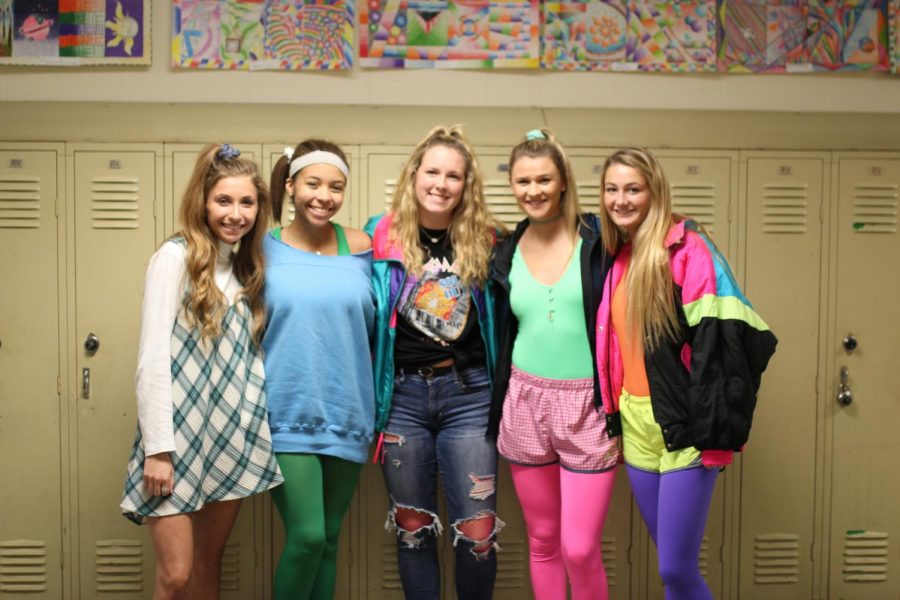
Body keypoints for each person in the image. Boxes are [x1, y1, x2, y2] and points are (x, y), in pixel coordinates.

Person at [596, 147, 777, 599]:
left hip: (685, 423)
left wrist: (712, 425)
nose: (621, 199)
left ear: (654, 192)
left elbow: (727, 341)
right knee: (670, 563)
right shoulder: (618, 257)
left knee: (675, 570)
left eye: (633, 189)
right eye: (611, 189)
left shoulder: (687, 250)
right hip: (636, 423)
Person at [120, 143, 283, 599]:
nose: (236, 213)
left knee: (208, 567)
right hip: (176, 439)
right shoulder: (175, 258)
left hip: (229, 436)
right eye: (224, 201)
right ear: (204, 202)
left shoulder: (247, 267)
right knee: (175, 575)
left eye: (246, 202)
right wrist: (158, 449)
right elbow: (152, 357)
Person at [365, 125, 504, 600]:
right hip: (402, 398)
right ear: (414, 175)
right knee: (413, 529)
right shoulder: (379, 236)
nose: (441, 184)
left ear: (467, 185)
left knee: (479, 533)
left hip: (469, 396)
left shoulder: (489, 240)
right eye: (433, 172)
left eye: (454, 176)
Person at [488, 129, 619, 600]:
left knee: (580, 548)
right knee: (543, 542)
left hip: (588, 404)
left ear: (563, 181)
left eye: (544, 179)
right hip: (524, 400)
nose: (533, 191)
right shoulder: (504, 250)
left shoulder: (599, 240)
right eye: (523, 181)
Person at [263, 139, 375, 600]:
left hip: (349, 411)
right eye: (313, 183)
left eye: (336, 186)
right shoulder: (262, 247)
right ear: (291, 185)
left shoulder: (363, 246)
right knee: (307, 536)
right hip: (285, 411)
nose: (324, 196)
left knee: (329, 540)